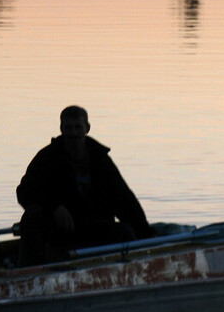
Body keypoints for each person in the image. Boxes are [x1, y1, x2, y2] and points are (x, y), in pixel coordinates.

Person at [16, 106, 153, 265]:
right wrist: (53, 207)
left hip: (92, 225)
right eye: (68, 128)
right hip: (61, 228)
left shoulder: (100, 159)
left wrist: (146, 235)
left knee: (126, 232)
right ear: (61, 129)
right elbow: (24, 191)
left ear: (87, 128)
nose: (73, 133)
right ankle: (33, 269)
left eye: (78, 127)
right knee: (32, 215)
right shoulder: (47, 157)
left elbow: (124, 199)